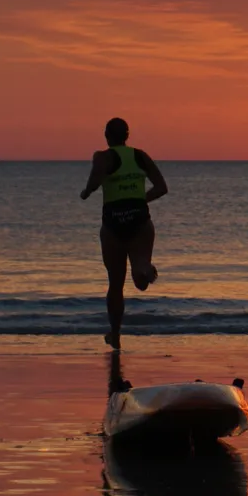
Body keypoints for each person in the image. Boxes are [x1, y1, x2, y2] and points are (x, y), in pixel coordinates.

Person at [78, 118, 169, 349]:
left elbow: (94, 182)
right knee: (139, 282)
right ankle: (142, 268)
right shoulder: (140, 156)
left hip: (113, 224)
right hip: (140, 219)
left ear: (106, 135)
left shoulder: (103, 157)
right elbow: (161, 187)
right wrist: (139, 199)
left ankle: (115, 334)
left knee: (115, 283)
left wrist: (85, 192)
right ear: (127, 135)